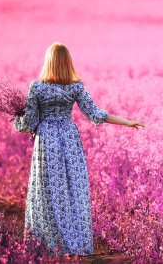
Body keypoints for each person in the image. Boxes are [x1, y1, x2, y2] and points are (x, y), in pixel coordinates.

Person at [13, 42, 145, 257]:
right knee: (73, 188)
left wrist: (16, 118)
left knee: (47, 189)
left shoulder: (36, 87)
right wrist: (127, 122)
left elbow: (27, 123)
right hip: (69, 138)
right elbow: (95, 114)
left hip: (47, 140)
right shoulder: (75, 87)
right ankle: (74, 243)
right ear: (67, 62)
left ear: (48, 62)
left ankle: (47, 244)